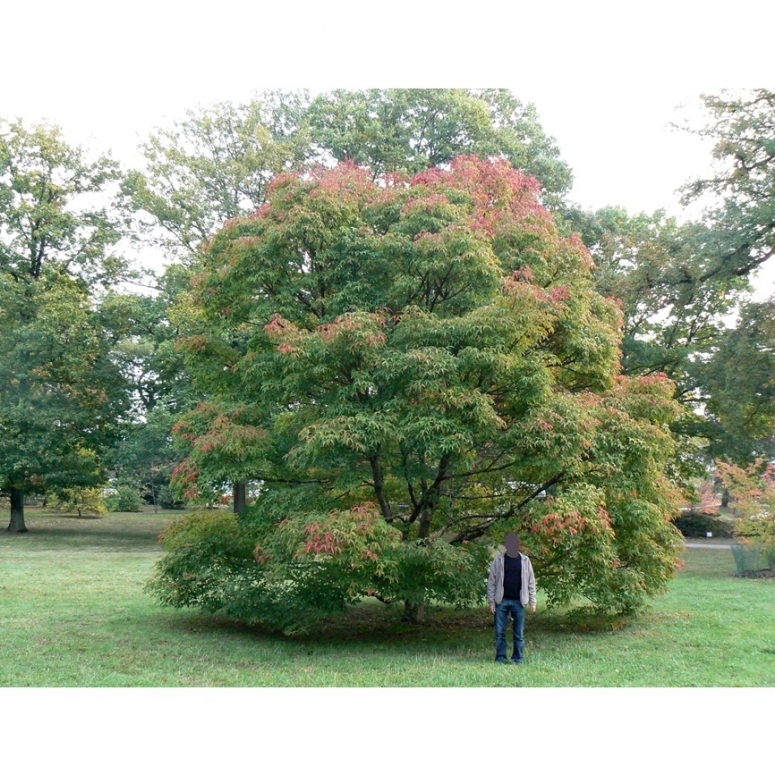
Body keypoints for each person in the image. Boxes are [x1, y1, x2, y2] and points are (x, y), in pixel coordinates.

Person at [486, 532, 536, 664]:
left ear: (518, 544)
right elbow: (492, 581)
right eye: (509, 543)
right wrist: (491, 601)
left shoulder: (525, 561)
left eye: (514, 543)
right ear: (506, 544)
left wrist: (533, 601)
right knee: (500, 632)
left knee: (519, 633)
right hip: (501, 601)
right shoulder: (498, 560)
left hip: (519, 601)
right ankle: (500, 658)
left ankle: (517, 659)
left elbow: (531, 581)